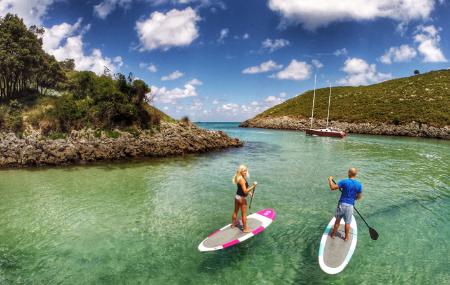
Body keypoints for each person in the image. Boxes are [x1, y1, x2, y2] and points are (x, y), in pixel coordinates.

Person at [328, 168, 362, 241]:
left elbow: (333, 187)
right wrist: (352, 198)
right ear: (355, 174)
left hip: (342, 204)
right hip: (350, 206)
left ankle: (333, 235)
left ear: (349, 173)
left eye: (348, 172)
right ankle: (346, 237)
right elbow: (359, 197)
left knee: (338, 220)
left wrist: (330, 179)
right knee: (347, 223)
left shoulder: (344, 181)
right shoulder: (359, 185)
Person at [231, 165, 256, 233]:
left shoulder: (239, 177)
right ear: (240, 171)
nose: (245, 172)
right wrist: (253, 186)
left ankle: (233, 224)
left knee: (235, 211)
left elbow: (243, 188)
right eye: (243, 171)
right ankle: (245, 228)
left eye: (246, 170)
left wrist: (250, 193)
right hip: (242, 198)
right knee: (244, 214)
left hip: (237, 196)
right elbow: (245, 191)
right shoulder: (242, 179)